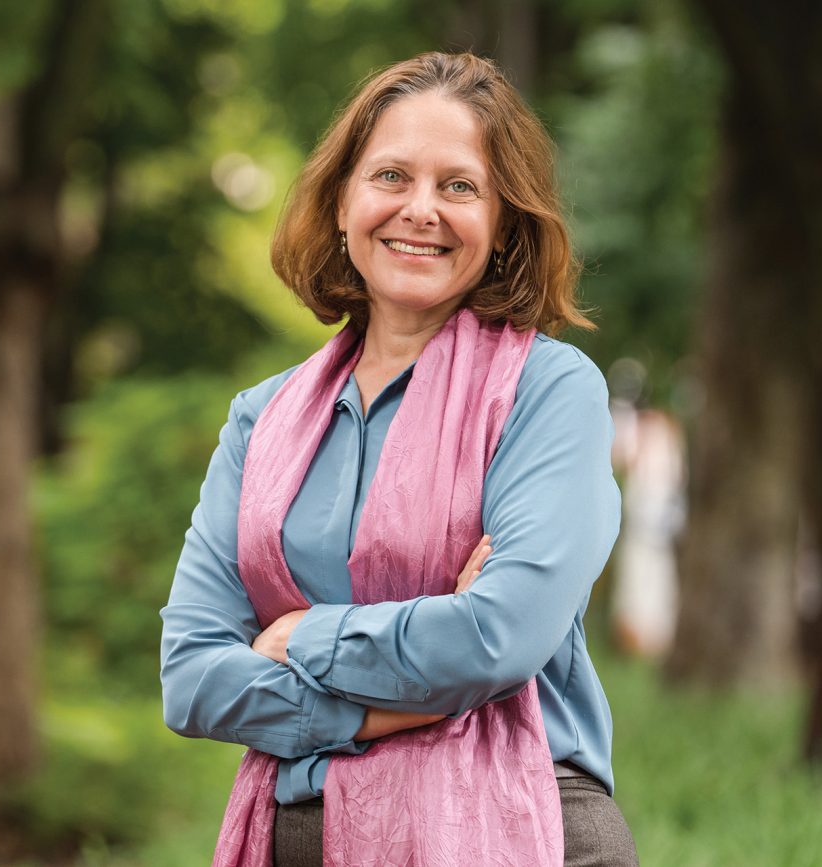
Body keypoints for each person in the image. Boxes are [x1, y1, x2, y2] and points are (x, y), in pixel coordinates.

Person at [160, 52, 639, 866]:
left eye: (459, 186)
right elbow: (194, 676)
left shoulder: (549, 392)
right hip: (300, 838)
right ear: (343, 202)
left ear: (503, 225)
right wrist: (400, 701)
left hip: (522, 822)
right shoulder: (259, 418)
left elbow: (499, 638)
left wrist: (302, 635)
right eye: (391, 176)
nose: (421, 209)